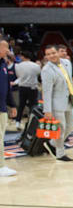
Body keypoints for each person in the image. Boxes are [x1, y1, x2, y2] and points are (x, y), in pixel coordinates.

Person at [40, 45, 73, 162]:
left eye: (53, 53)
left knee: (71, 126)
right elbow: (46, 91)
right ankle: (60, 154)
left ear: (58, 52)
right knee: (60, 129)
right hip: (55, 103)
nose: (51, 56)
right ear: (46, 56)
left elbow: (69, 80)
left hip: (68, 100)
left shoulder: (67, 62)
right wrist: (47, 110)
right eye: (48, 54)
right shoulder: (46, 70)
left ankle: (52, 143)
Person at [0, 40, 17, 176]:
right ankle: (1, 166)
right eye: (5, 47)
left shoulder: (3, 64)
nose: (7, 50)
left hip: (2, 107)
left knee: (1, 136)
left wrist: (12, 104)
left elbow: (7, 87)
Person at [12, 51, 41, 128]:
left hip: (22, 87)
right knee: (34, 105)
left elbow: (19, 76)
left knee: (21, 105)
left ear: (23, 57)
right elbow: (38, 74)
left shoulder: (17, 66)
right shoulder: (36, 66)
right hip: (33, 88)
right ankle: (33, 122)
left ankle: (17, 122)